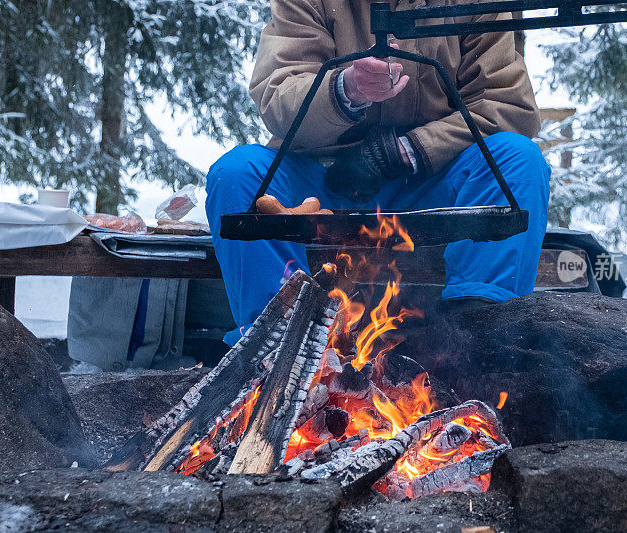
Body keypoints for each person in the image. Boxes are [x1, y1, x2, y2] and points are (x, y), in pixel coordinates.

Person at [206, 1, 551, 346]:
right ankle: (274, 343)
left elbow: (508, 105)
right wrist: (346, 89)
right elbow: (279, 95)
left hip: (434, 184)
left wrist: (408, 150)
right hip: (324, 186)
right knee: (238, 176)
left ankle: (481, 335)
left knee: (518, 160)